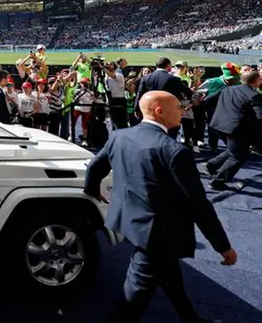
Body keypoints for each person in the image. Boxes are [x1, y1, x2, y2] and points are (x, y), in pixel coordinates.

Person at [84, 91, 236, 323]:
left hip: (132, 223)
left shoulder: (119, 136)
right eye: (178, 107)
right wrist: (223, 246)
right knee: (133, 295)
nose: (183, 111)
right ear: (159, 111)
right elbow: (199, 204)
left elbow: (95, 166)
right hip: (157, 235)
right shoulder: (174, 152)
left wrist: (92, 190)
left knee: (170, 275)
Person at [204, 70, 262, 191]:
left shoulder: (227, 89)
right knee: (237, 157)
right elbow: (260, 118)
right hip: (236, 129)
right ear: (257, 81)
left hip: (218, 125)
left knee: (236, 149)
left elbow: (208, 100)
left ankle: (211, 165)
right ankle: (217, 182)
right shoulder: (255, 95)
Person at [135, 57, 189, 137]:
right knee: (169, 135)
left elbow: (139, 95)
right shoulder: (173, 79)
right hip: (168, 111)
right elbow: (186, 92)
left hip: (150, 110)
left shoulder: (146, 78)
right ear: (168, 65)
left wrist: (136, 109)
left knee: (151, 133)